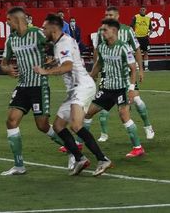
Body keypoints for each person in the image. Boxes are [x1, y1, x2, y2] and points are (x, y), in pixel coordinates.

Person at [33, 14, 112, 176]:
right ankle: (80, 158)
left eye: (45, 27)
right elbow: (67, 60)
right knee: (58, 126)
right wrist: (54, 63)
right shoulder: (61, 41)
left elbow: (68, 66)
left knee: (76, 125)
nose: (43, 30)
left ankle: (103, 159)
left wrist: (45, 71)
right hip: (74, 89)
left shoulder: (64, 42)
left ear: (53, 28)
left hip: (82, 86)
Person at [0, 7, 66, 176]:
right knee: (11, 121)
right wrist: (7, 70)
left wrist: (52, 59)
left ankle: (72, 149)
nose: (7, 23)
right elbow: (3, 63)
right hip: (22, 86)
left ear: (17, 20)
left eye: (8, 20)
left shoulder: (37, 33)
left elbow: (55, 45)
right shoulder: (11, 40)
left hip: (39, 85)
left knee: (42, 126)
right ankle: (19, 165)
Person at [84, 19, 146, 158]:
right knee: (88, 113)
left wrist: (131, 89)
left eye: (105, 30)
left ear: (114, 31)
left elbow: (132, 69)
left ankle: (138, 147)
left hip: (121, 88)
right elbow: (99, 64)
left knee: (124, 115)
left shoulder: (124, 47)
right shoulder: (102, 47)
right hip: (107, 89)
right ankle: (78, 142)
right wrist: (90, 76)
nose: (102, 32)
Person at [94, 6, 154, 142]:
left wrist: (141, 70)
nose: (108, 17)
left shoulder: (127, 30)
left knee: (137, 100)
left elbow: (137, 50)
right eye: (106, 14)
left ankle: (147, 126)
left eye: (110, 15)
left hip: (126, 74)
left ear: (117, 16)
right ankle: (104, 134)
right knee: (102, 104)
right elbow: (97, 51)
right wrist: (95, 71)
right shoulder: (101, 31)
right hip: (107, 74)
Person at [131, 6, 153, 71]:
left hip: (145, 38)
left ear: (146, 10)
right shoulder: (136, 17)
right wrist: (133, 34)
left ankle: (146, 67)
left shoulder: (148, 18)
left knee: (146, 52)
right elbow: (131, 26)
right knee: (137, 53)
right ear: (139, 10)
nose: (142, 11)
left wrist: (149, 33)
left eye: (143, 9)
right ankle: (137, 67)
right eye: (141, 10)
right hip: (137, 38)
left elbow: (151, 28)